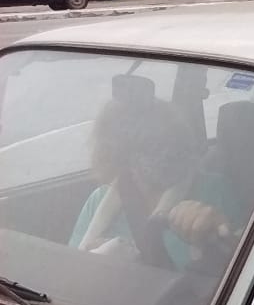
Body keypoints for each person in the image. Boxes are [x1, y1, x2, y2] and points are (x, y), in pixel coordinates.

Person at [71, 94, 239, 269]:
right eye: (144, 144)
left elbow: (244, 265)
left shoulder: (213, 191)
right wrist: (94, 262)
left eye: (163, 141)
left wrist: (218, 234)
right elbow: (71, 271)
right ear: (120, 154)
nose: (161, 152)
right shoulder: (98, 201)